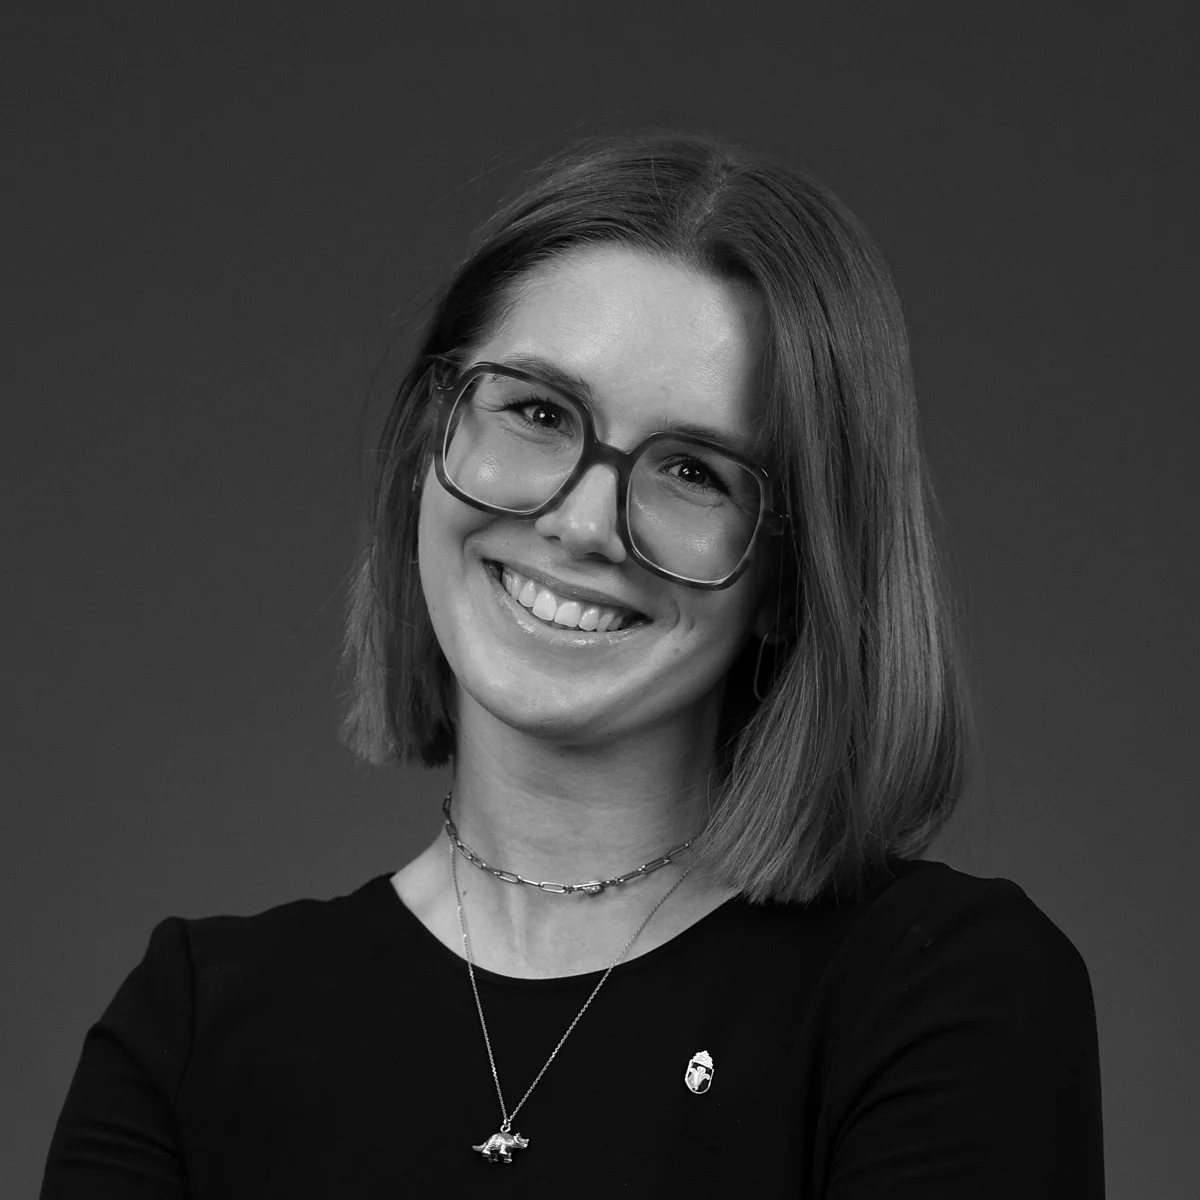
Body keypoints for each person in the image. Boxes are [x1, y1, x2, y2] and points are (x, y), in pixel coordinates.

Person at [41, 130, 1105, 1197]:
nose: (585, 523)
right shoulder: (192, 1028)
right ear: (428, 444)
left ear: (793, 573)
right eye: (539, 413)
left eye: (694, 471)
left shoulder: (944, 990)